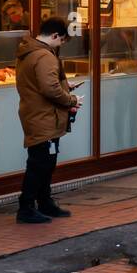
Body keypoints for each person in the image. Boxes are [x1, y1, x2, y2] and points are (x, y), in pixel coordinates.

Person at [15, 17, 81, 223]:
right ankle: (26, 207)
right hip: (44, 117)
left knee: (46, 162)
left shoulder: (28, 52)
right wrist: (70, 99)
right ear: (54, 36)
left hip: (38, 115)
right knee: (39, 163)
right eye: (61, 41)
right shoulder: (44, 56)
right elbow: (49, 89)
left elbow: (42, 85)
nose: (61, 45)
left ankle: (44, 202)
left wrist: (66, 87)